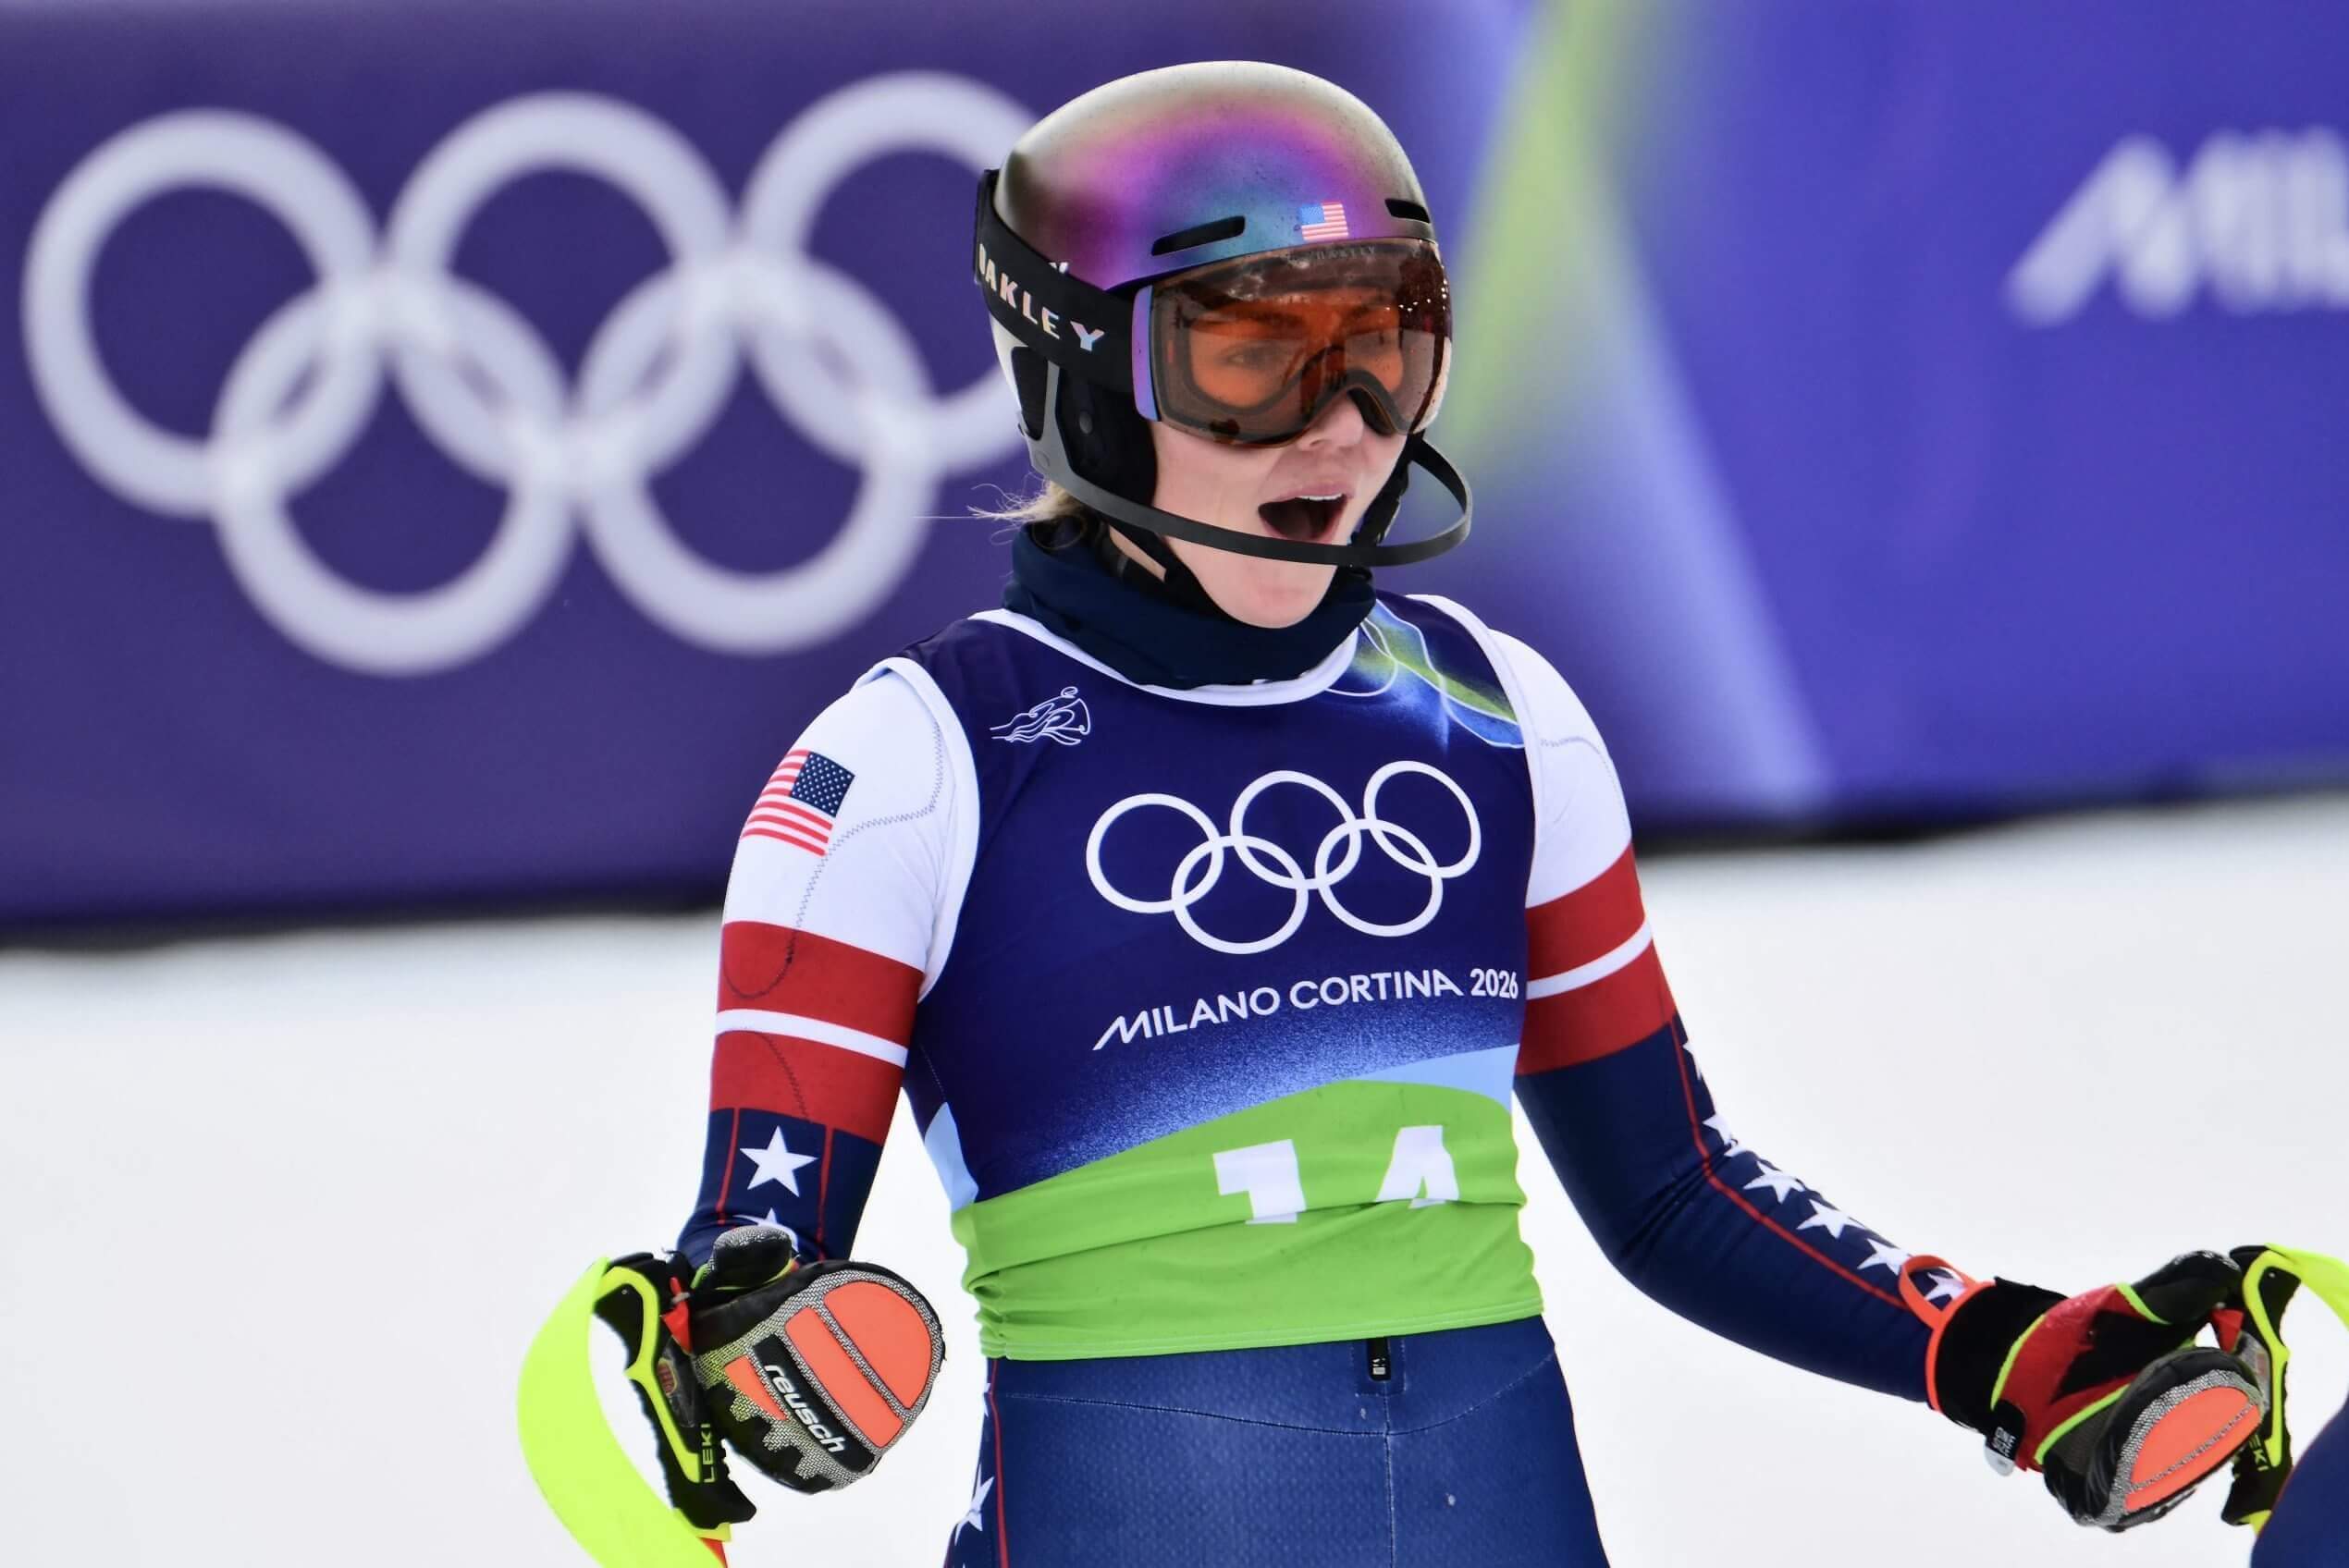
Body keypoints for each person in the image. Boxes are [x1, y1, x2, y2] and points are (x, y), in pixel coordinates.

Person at [656, 62, 2299, 1564]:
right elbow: (748, 1270)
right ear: (1081, 381)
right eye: (1248, 362)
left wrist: (1994, 1343)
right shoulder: (915, 762)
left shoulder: (1500, 711)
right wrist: (732, 1344)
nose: (1342, 431)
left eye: (1383, 353)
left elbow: (1672, 1191)